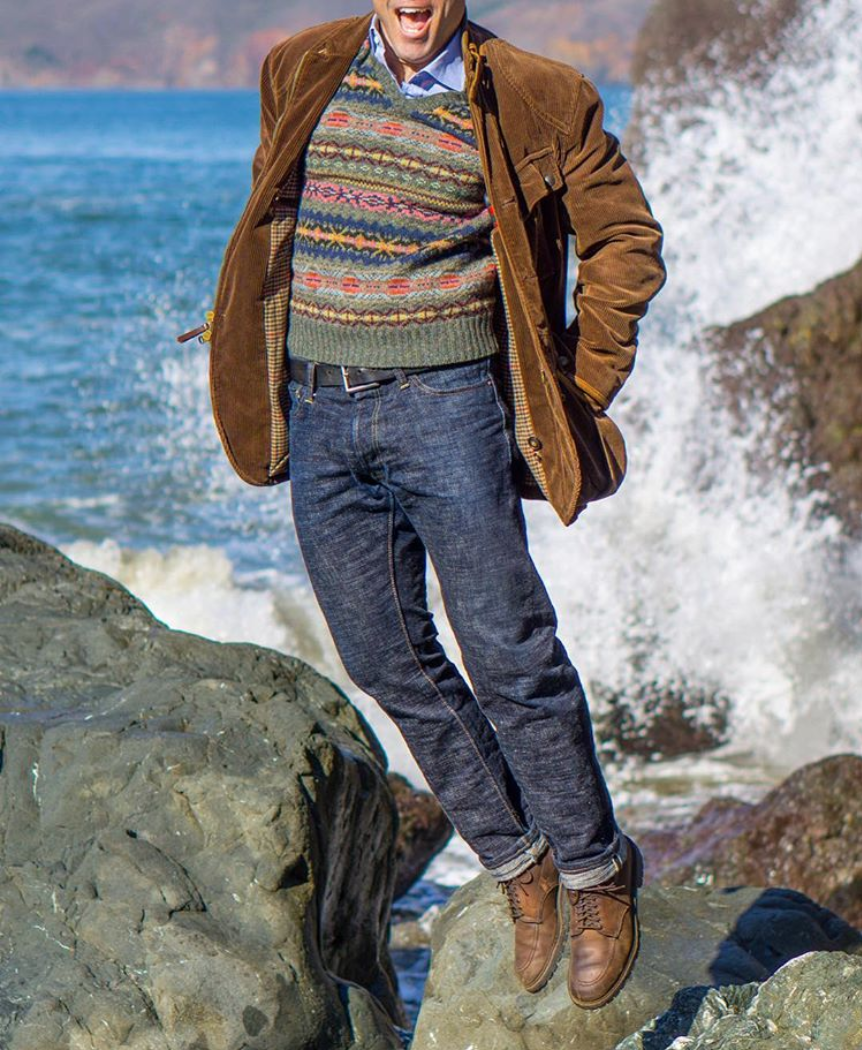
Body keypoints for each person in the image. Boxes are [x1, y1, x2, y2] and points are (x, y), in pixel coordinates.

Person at [180, 0, 665, 1010]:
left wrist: (580, 386)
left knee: (510, 651)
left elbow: (625, 239)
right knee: (382, 657)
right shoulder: (300, 66)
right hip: (318, 412)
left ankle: (595, 871)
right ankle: (520, 862)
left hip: (448, 408)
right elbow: (278, 217)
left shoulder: (538, 95)